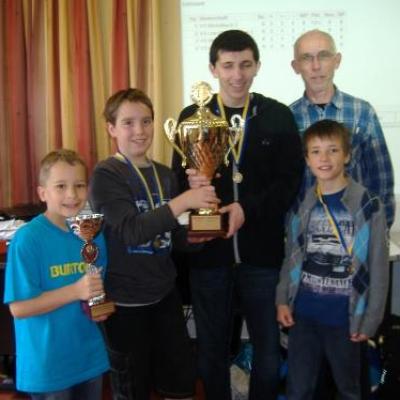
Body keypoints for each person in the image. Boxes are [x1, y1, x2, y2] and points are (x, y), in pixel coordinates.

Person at [171, 29, 304, 400]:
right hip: (209, 257)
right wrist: (192, 184)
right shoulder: (192, 117)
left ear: (257, 66)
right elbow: (178, 184)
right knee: (211, 350)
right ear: (213, 68)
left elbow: (289, 180)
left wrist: (248, 208)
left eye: (245, 64)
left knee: (267, 350)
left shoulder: (276, 115)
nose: (237, 74)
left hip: (262, 257)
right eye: (228, 65)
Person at [89, 88, 219, 400]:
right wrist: (185, 201)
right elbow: (131, 231)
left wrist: (198, 234)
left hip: (164, 297)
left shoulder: (164, 175)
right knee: (133, 389)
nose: (140, 130)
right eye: (128, 122)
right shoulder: (107, 174)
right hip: (124, 303)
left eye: (146, 121)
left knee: (180, 385)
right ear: (111, 128)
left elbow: (172, 237)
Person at [276, 119, 389, 400]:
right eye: (315, 151)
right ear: (307, 159)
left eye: (333, 150)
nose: (324, 158)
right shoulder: (303, 203)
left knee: (348, 390)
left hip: (345, 319)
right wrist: (281, 300)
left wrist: (370, 320)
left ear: (347, 155)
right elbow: (291, 257)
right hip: (304, 316)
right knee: (298, 389)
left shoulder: (368, 204)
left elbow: (378, 269)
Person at [3, 149, 109, 399]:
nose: (71, 194)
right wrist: (75, 291)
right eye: (61, 186)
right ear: (43, 193)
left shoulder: (92, 235)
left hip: (89, 357)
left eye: (79, 185)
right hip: (49, 366)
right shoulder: (28, 239)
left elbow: (95, 290)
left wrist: (98, 306)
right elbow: (19, 308)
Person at [290, 29, 395, 228]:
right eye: (306, 58)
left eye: (324, 56)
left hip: (357, 230)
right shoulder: (288, 118)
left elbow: (382, 180)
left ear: (337, 61)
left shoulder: (362, 113)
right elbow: (284, 184)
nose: (316, 66)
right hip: (306, 232)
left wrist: (380, 231)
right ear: (296, 66)